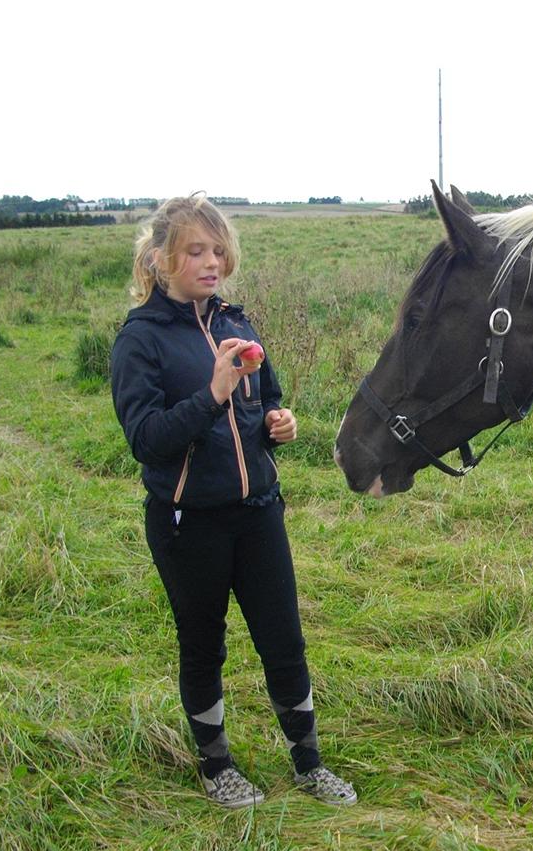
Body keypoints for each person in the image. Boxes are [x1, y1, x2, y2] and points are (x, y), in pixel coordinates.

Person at [110, 195, 355, 809]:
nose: (211, 262)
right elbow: (146, 440)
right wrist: (214, 393)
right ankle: (216, 767)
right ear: (162, 258)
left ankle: (308, 765)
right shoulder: (139, 341)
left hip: (258, 511)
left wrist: (278, 421)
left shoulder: (236, 325)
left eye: (218, 250)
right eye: (196, 250)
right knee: (204, 645)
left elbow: (265, 397)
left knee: (284, 640)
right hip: (187, 523)